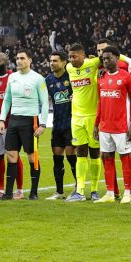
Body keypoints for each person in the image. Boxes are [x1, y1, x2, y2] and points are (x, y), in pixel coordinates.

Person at [65, 43, 131, 202]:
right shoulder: (69, 68)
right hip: (76, 117)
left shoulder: (94, 63)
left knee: (96, 154)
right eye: (70, 57)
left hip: (95, 117)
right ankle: (80, 191)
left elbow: (113, 56)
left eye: (74, 56)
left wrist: (130, 63)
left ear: (83, 55)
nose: (71, 59)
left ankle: (95, 190)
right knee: (81, 152)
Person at [0, 49, 49, 200]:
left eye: (22, 58)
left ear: (30, 60)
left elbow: (45, 102)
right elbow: (7, 99)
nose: (19, 61)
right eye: (17, 58)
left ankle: (34, 192)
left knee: (32, 157)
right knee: (11, 156)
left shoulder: (38, 79)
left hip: (30, 121)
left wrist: (43, 124)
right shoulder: (12, 77)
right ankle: (8, 193)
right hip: (13, 120)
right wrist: (2, 120)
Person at [92, 46, 131, 204]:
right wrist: (96, 124)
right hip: (105, 127)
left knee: (125, 158)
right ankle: (110, 193)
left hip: (122, 127)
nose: (105, 61)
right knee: (107, 158)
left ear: (117, 58)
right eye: (103, 59)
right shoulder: (101, 77)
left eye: (108, 58)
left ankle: (128, 193)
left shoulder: (127, 77)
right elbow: (100, 102)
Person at [0, 53, 24, 200]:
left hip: (11, 124)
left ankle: (19, 189)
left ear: (6, 61)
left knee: (13, 156)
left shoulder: (14, 78)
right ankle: (0, 189)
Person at [45, 51, 76, 200]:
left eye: (55, 61)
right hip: (57, 124)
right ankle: (59, 191)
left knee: (71, 156)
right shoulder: (48, 80)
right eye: (51, 60)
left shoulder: (71, 77)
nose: (52, 63)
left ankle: (78, 188)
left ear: (64, 62)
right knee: (57, 158)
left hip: (71, 123)